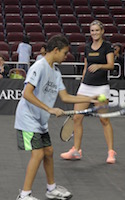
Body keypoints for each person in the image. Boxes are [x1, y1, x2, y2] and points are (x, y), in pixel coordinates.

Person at [14, 34, 97, 200]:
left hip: (40, 121)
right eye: (65, 53)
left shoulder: (56, 73)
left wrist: (89, 99)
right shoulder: (39, 67)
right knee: (38, 154)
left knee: (49, 152)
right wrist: (49, 109)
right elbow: (27, 94)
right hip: (28, 119)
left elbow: (65, 97)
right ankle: (24, 195)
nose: (66, 57)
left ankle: (51, 188)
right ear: (56, 50)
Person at [60, 20, 116, 164]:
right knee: (77, 118)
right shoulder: (87, 47)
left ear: (102, 31)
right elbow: (86, 66)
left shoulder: (107, 47)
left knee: (104, 119)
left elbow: (111, 65)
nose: (95, 33)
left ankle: (111, 152)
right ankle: (76, 150)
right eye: (92, 31)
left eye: (97, 30)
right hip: (85, 86)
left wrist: (99, 66)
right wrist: (82, 82)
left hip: (101, 87)